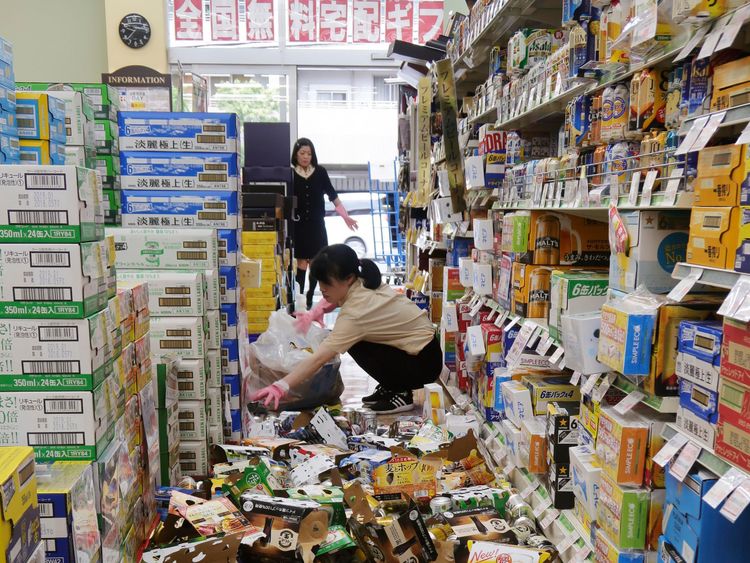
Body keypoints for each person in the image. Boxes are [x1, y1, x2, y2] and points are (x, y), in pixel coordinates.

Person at [250, 244, 444, 413]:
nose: (322, 289)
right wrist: (314, 312)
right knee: (348, 338)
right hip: (426, 352)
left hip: (423, 363)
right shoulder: (365, 280)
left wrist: (280, 386)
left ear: (349, 278)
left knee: (349, 341)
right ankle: (393, 385)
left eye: (327, 283)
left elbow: (319, 358)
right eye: (319, 282)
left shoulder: (356, 313)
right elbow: (335, 299)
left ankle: (401, 391)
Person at [292, 138, 358, 309]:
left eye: (309, 153)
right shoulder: (291, 173)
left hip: (316, 224)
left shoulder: (320, 172)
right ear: (296, 155)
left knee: (315, 262)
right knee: (301, 263)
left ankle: (309, 296)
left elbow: (332, 195)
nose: (306, 157)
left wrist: (346, 216)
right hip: (298, 225)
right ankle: (298, 297)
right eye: (302, 153)